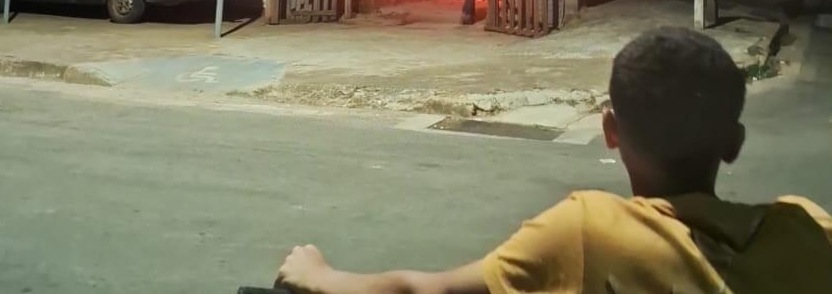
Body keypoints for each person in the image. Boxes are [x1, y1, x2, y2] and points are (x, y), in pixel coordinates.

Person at [277, 27, 832, 294]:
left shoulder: (589, 230)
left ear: (611, 132)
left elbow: (431, 291)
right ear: (733, 143)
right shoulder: (808, 228)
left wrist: (319, 276)